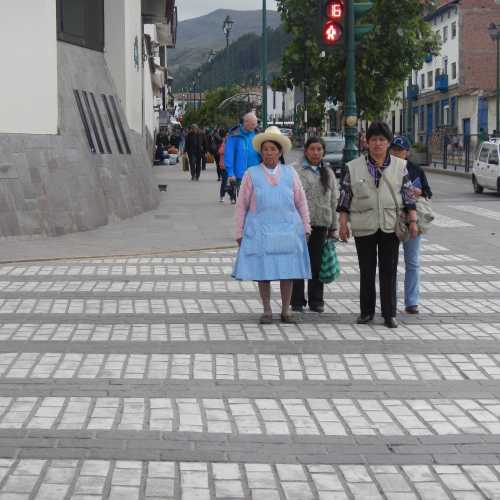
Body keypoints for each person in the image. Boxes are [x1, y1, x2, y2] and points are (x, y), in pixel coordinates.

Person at [337, 121, 418, 329]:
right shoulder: (354, 167)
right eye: (374, 140)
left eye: (382, 140)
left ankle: (389, 314)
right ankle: (366, 312)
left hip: (391, 225)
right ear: (367, 142)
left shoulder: (400, 166)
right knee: (366, 269)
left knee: (389, 270)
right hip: (364, 224)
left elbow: (408, 196)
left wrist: (413, 221)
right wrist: (343, 223)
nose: (378, 144)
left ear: (389, 143)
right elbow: (345, 197)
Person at [233, 126, 312, 324]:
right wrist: (239, 230)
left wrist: (306, 225)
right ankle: (267, 309)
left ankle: (286, 310)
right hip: (260, 230)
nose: (269, 152)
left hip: (288, 229)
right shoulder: (251, 174)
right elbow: (242, 204)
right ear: (261, 151)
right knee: (264, 272)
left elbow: (300, 201)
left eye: (273, 149)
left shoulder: (290, 173)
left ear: (280, 152)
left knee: (288, 271)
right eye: (265, 149)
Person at [291, 137, 338, 314]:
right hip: (299, 225)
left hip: (321, 224)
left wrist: (334, 226)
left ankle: (316, 300)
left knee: (316, 264)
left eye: (319, 149)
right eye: (312, 149)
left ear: (323, 152)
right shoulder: (295, 170)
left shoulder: (328, 172)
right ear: (306, 151)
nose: (316, 153)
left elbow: (333, 200)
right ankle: (296, 300)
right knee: (298, 262)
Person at [390, 136, 433, 315]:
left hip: (412, 219)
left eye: (400, 150)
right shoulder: (386, 168)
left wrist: (419, 191)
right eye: (394, 150)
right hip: (392, 219)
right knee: (389, 262)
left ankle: (412, 302)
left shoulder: (416, 170)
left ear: (407, 152)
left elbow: (428, 192)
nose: (397, 153)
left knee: (413, 262)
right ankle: (389, 300)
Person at [224, 113, 261, 199]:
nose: (254, 126)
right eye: (252, 124)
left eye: (255, 124)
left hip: (257, 174)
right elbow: (229, 155)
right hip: (241, 175)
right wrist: (230, 173)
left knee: (257, 201)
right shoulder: (234, 135)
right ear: (245, 122)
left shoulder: (257, 134)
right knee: (245, 201)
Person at [217, 129, 236, 203]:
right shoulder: (224, 143)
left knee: (232, 183)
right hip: (224, 166)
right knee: (224, 181)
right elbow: (220, 151)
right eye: (227, 135)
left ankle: (232, 198)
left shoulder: (234, 144)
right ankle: (222, 196)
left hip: (232, 166)